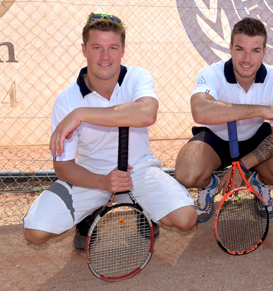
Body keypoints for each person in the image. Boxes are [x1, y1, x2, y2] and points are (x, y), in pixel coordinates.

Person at [23, 14, 197, 249]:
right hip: (92, 175)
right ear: (84, 50)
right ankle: (90, 213)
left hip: (139, 169)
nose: (105, 56)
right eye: (97, 47)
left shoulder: (137, 77)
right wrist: (103, 182)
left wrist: (80, 114)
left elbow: (146, 114)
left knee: (186, 219)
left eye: (112, 47)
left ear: (123, 49)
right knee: (35, 233)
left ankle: (145, 209)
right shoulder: (66, 99)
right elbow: (62, 167)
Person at [174, 17, 273, 222]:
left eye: (255, 51)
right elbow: (200, 111)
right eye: (240, 49)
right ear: (230, 48)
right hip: (216, 137)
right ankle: (208, 185)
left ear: (265, 52)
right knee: (187, 175)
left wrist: (243, 166)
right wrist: (259, 109)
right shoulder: (211, 73)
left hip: (255, 137)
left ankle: (260, 182)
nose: (247, 59)